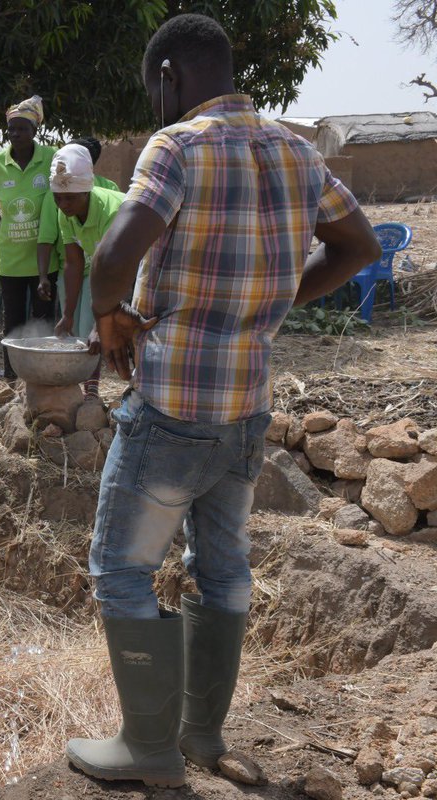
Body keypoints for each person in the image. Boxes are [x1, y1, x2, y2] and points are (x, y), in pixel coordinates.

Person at [65, 14, 381, 788]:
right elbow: (360, 247)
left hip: (173, 405)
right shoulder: (296, 150)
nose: (155, 106)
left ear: (169, 75)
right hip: (245, 411)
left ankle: (148, 750)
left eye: (153, 91)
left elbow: (112, 255)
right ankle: (202, 736)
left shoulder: (178, 147)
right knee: (223, 572)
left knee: (120, 571)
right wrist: (272, 307)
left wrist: (111, 317)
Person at [0, 95, 61, 380]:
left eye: (22, 128)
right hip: (11, 258)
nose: (15, 134)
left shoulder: (50, 158)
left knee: (43, 320)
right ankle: (12, 374)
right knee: (12, 321)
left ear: (34, 131)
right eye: (11, 129)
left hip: (45, 260)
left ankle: (41, 374)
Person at [50, 143, 125, 399]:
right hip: (103, 268)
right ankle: (91, 391)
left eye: (70, 198)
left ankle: (140, 392)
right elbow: (73, 263)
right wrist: (67, 314)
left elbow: (118, 271)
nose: (63, 204)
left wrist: (99, 324)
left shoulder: (113, 211)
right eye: (57, 198)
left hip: (137, 268)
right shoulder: (66, 213)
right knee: (85, 333)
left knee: (129, 330)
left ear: (87, 192)